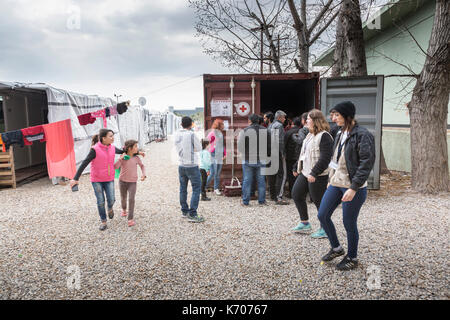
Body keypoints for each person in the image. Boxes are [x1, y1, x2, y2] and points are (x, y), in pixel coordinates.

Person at [318, 101, 375, 271]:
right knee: (322, 215)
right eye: (332, 114)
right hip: (336, 182)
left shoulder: (363, 135)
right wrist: (330, 178)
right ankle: (337, 248)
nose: (332, 118)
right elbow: (336, 159)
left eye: (336, 115)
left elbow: (366, 163)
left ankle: (352, 257)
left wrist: (354, 188)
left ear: (347, 115)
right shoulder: (339, 133)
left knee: (348, 222)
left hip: (353, 186)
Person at [70, 129, 129, 231]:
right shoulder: (95, 150)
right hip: (96, 179)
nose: (113, 138)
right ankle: (103, 221)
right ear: (103, 138)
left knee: (111, 199)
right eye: (110, 136)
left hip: (109, 178)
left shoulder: (113, 148)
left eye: (113, 136)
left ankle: (110, 208)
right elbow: (84, 163)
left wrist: (133, 150)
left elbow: (124, 151)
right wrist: (75, 178)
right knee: (100, 201)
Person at [291, 110, 333, 239]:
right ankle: (305, 223)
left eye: (308, 119)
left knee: (319, 202)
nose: (306, 121)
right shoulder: (310, 135)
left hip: (318, 175)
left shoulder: (324, 136)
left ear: (315, 120)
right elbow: (304, 154)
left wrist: (314, 172)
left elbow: (325, 158)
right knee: (296, 194)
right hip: (305, 173)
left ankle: (325, 228)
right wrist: (296, 166)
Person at [174, 116, 205, 223]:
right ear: (191, 124)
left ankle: (184, 211)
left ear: (181, 124)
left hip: (181, 165)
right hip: (192, 165)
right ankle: (193, 213)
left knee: (183, 188)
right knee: (196, 189)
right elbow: (200, 148)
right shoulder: (191, 135)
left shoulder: (177, 134)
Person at [237, 114, 270, 206]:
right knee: (261, 180)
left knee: (247, 180)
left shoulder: (245, 131)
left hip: (248, 159)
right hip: (262, 159)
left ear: (249, 121)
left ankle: (245, 202)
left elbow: (240, 147)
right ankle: (262, 201)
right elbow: (269, 146)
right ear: (259, 121)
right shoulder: (265, 130)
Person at [114, 139, 146, 227]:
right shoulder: (123, 157)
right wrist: (120, 159)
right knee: (123, 198)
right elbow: (115, 167)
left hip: (133, 182)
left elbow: (142, 166)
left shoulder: (136, 158)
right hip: (122, 182)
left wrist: (144, 174)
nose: (137, 148)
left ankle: (130, 218)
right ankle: (124, 209)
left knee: (131, 199)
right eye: (135, 146)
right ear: (129, 148)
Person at [268, 110, 289, 205]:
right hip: (277, 153)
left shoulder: (270, 125)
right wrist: (282, 153)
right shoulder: (279, 126)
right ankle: (279, 197)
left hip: (270, 153)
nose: (285, 119)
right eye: (284, 117)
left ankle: (272, 195)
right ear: (279, 117)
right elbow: (280, 141)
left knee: (272, 174)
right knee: (281, 174)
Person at [205, 119, 226, 195]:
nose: (224, 126)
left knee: (217, 173)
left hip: (219, 155)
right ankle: (203, 187)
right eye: (222, 124)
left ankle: (216, 188)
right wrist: (210, 149)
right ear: (219, 125)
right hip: (213, 155)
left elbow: (222, 145)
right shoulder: (212, 133)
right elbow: (206, 142)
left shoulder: (221, 133)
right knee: (213, 173)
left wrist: (224, 153)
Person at [284, 117, 302, 198]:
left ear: (292, 124)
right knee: (301, 175)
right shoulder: (303, 132)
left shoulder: (288, 132)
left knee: (291, 176)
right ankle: (301, 193)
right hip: (300, 157)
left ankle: (292, 193)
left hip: (290, 157)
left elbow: (284, 145)